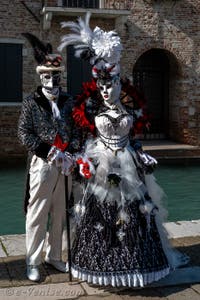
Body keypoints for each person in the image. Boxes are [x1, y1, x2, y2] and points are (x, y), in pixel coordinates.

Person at [58, 13, 189, 287]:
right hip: (101, 164)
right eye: (102, 86)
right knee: (99, 216)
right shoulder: (90, 108)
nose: (106, 91)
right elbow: (81, 136)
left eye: (111, 85)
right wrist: (81, 159)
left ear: (120, 84)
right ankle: (99, 265)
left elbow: (134, 138)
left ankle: (137, 267)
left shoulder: (131, 109)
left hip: (129, 164)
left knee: (135, 216)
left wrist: (142, 153)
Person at [18, 33, 79, 282]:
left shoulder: (69, 101)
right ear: (40, 75)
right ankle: (33, 260)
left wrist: (71, 153)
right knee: (37, 212)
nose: (51, 79)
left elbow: (78, 130)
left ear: (60, 76)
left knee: (60, 213)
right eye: (47, 75)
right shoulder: (31, 102)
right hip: (43, 164)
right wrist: (48, 152)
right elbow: (23, 133)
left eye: (55, 75)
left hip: (65, 165)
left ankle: (54, 256)